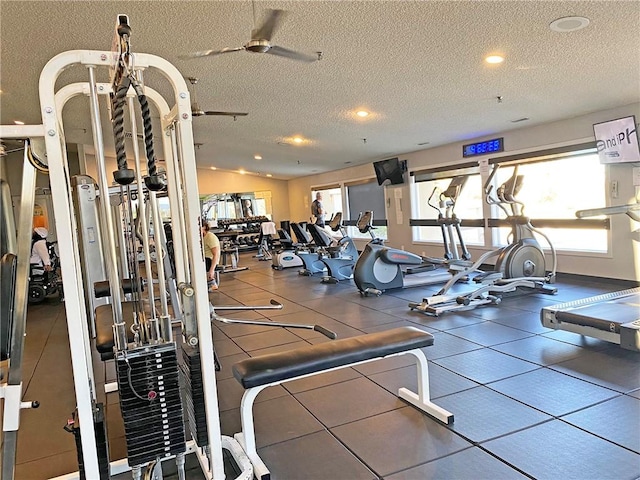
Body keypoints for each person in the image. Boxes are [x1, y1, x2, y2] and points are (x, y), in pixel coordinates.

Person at [201, 220, 221, 292]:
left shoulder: (210, 237)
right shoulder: (200, 237)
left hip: (210, 260)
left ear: (204, 227)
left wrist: (212, 270)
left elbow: (216, 254)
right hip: (204, 259)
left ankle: (212, 283)